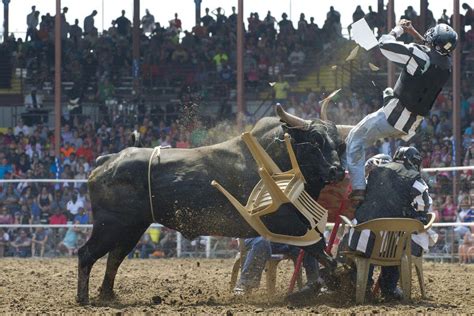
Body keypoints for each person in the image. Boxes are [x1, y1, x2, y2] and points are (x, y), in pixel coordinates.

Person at [346, 21, 458, 204]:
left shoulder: (419, 54)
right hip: (410, 124)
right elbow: (431, 53)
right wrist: (413, 32)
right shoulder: (446, 65)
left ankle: (358, 187)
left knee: (354, 138)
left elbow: (384, 44)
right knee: (388, 91)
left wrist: (397, 29)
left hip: (393, 116)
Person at [347, 147, 432, 300]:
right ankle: (389, 289)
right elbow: (424, 208)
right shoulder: (417, 180)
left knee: (369, 242)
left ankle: (362, 287)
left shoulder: (374, 173)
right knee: (399, 239)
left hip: (361, 242)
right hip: (393, 247)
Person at [233, 237, 320, 295]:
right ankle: (246, 285)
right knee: (262, 241)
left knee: (309, 242)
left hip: (280, 238)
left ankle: (314, 285)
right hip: (254, 236)